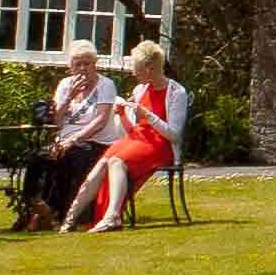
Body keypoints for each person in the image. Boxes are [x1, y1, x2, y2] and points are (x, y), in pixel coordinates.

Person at [69, 41, 182, 231]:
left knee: (116, 161)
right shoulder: (140, 90)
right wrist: (122, 114)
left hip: (161, 145)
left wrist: (148, 115)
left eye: (136, 68)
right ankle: (71, 218)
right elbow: (132, 130)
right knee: (104, 161)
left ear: (149, 68)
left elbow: (174, 135)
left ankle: (112, 216)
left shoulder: (177, 92)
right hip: (139, 139)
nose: (133, 72)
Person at [24, 49, 116, 231]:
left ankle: (67, 214)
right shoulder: (65, 85)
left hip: (94, 141)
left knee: (71, 156)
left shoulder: (106, 85)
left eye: (87, 64)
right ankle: (37, 205)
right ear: (70, 68)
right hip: (64, 140)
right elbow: (57, 123)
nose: (82, 68)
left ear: (94, 65)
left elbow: (100, 121)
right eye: (77, 64)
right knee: (35, 157)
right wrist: (69, 97)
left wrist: (72, 140)